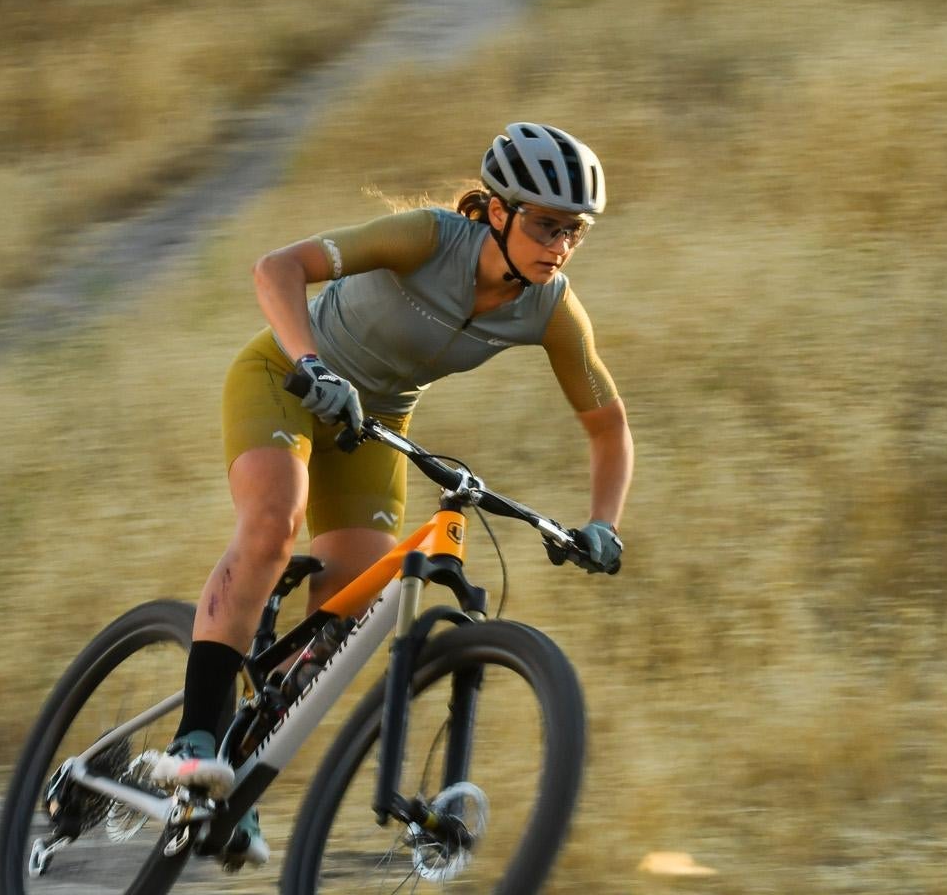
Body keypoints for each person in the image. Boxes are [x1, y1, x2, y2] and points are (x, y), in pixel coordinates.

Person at [145, 123, 633, 867]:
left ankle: (231, 783)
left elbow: (608, 424)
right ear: (498, 212)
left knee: (347, 611)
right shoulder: (427, 239)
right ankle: (194, 737)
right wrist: (312, 362)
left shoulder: (549, 307)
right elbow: (277, 268)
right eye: (543, 223)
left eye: (574, 230)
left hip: (373, 424)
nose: (559, 243)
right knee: (275, 526)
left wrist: (603, 524)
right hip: (286, 376)